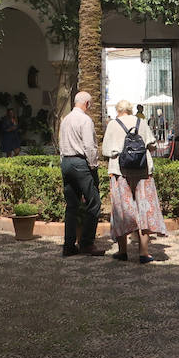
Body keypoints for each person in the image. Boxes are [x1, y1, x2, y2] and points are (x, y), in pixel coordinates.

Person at [101, 99, 166, 263]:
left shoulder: (112, 124)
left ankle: (122, 251)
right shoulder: (141, 122)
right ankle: (144, 253)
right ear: (130, 110)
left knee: (121, 210)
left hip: (120, 172)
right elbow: (152, 144)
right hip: (143, 171)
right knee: (144, 208)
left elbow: (106, 150)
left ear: (118, 111)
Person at [59, 91, 106, 257]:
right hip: (80, 163)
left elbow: (61, 144)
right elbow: (89, 146)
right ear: (87, 104)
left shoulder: (65, 120)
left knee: (71, 206)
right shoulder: (85, 120)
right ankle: (86, 243)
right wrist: (93, 166)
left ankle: (69, 245)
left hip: (66, 162)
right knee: (94, 203)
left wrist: (64, 163)